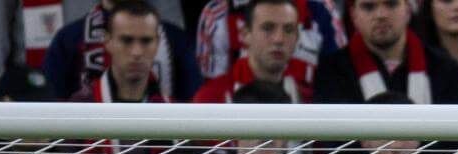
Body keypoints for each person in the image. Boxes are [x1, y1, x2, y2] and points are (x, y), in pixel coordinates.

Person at [312, 0, 458, 103]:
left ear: (408, 10)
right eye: (369, 7)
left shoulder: (445, 70)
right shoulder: (331, 72)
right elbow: (332, 145)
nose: (381, 15)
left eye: (391, 4)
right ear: (354, 15)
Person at [46, 0, 199, 101]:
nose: (136, 52)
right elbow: (52, 104)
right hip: (86, 139)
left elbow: (193, 102)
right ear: (107, 41)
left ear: (157, 42)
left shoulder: (175, 39)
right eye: (126, 41)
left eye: (146, 41)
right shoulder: (69, 38)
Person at [195, 0, 345, 102]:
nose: (278, 39)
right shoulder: (211, 99)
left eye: (288, 29)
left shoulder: (308, 99)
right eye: (268, 28)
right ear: (244, 34)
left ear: (297, 36)